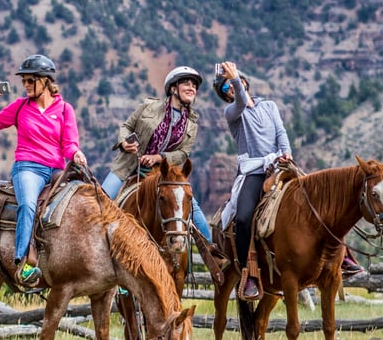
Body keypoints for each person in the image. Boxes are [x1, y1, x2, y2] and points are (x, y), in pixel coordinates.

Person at [0, 54, 87, 287]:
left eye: (31, 80)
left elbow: (68, 144)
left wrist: (76, 154)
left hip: (58, 170)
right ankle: (23, 263)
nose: (26, 85)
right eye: (24, 81)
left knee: (85, 199)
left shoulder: (64, 109)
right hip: (28, 167)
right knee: (28, 204)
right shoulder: (19, 107)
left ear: (46, 81)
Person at [102, 66, 212, 242]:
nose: (191, 87)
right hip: (129, 167)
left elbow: (183, 153)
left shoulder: (192, 123)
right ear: (173, 88)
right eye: (186, 83)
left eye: (194, 85)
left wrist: (159, 157)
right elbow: (127, 127)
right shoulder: (149, 106)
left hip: (165, 174)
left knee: (199, 220)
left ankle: (213, 259)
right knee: (101, 204)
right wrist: (124, 142)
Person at [214, 62, 292, 300]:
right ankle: (249, 271)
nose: (231, 85)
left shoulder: (268, 105)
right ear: (226, 93)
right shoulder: (233, 113)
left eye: (233, 81)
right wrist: (234, 78)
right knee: (244, 217)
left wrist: (287, 152)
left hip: (279, 163)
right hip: (254, 170)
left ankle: (339, 256)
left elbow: (280, 132)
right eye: (225, 85)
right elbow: (239, 101)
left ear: (245, 80)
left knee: (314, 194)